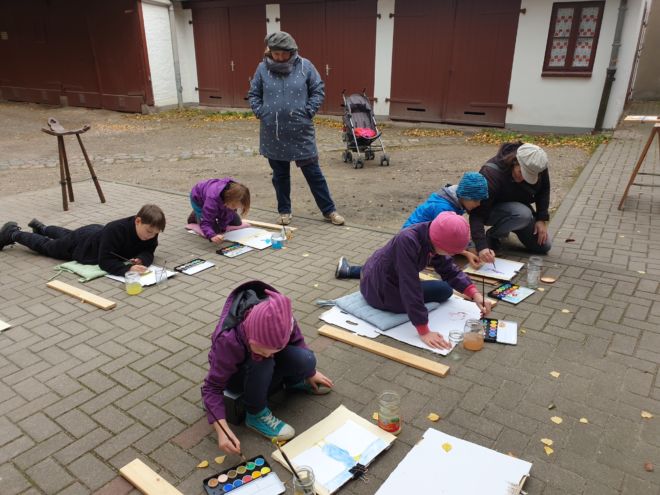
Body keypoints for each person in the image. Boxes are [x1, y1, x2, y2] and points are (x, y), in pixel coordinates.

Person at [202, 281, 333, 452]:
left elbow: (297, 342)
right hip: (236, 376)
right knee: (263, 361)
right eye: (264, 350)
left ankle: (292, 382)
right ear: (250, 337)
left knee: (306, 359)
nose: (270, 354)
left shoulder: (283, 321)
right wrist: (222, 430)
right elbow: (211, 388)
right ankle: (255, 414)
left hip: (258, 365)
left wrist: (309, 372)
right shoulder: (228, 340)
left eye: (275, 350)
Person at [341, 212, 492, 350]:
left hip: (381, 277)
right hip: (379, 290)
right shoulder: (407, 241)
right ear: (439, 244)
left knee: (445, 289)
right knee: (440, 291)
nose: (451, 255)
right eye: (451, 252)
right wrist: (423, 330)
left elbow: (449, 269)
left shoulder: (431, 233)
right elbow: (409, 286)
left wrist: (475, 294)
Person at [248, 31, 344, 226]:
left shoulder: (305, 66)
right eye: (276, 54)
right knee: (280, 175)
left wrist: (308, 111)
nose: (280, 57)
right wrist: (261, 111)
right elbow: (253, 93)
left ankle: (329, 211)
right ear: (270, 52)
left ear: (292, 51)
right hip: (273, 132)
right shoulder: (262, 69)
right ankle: (284, 211)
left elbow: (318, 89)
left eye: (284, 53)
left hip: (301, 131)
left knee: (314, 174)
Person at [336, 172, 488, 278]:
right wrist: (467, 252)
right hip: (412, 241)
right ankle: (349, 270)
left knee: (393, 268)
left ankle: (350, 270)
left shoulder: (456, 201)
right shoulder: (444, 208)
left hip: (420, 240)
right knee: (393, 270)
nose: (479, 204)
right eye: (476, 200)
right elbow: (444, 239)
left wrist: (469, 250)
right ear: (465, 195)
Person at [0, 204, 165, 276]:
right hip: (84, 245)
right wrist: (127, 271)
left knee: (66, 234)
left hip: (94, 234)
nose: (151, 236)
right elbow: (105, 261)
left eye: (154, 233)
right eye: (149, 231)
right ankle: (12, 233)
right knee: (49, 247)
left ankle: (42, 228)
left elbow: (149, 251)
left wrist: (142, 259)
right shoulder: (116, 230)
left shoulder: (151, 230)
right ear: (137, 221)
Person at [470, 142, 551, 264]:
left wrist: (541, 218)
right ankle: (493, 236)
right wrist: (481, 246)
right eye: (520, 173)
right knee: (522, 213)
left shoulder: (537, 165)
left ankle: (512, 225)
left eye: (528, 176)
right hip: (493, 211)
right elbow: (477, 214)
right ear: (514, 161)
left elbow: (544, 189)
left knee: (544, 246)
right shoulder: (491, 174)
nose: (523, 179)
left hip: (519, 212)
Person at [188, 178, 250, 244]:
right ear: (228, 199)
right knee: (215, 231)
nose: (235, 208)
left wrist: (223, 227)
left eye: (237, 207)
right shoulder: (212, 200)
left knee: (237, 223)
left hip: (216, 201)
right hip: (198, 198)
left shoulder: (236, 193)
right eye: (233, 206)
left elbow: (228, 213)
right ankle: (197, 215)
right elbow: (206, 222)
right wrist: (212, 236)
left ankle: (210, 212)